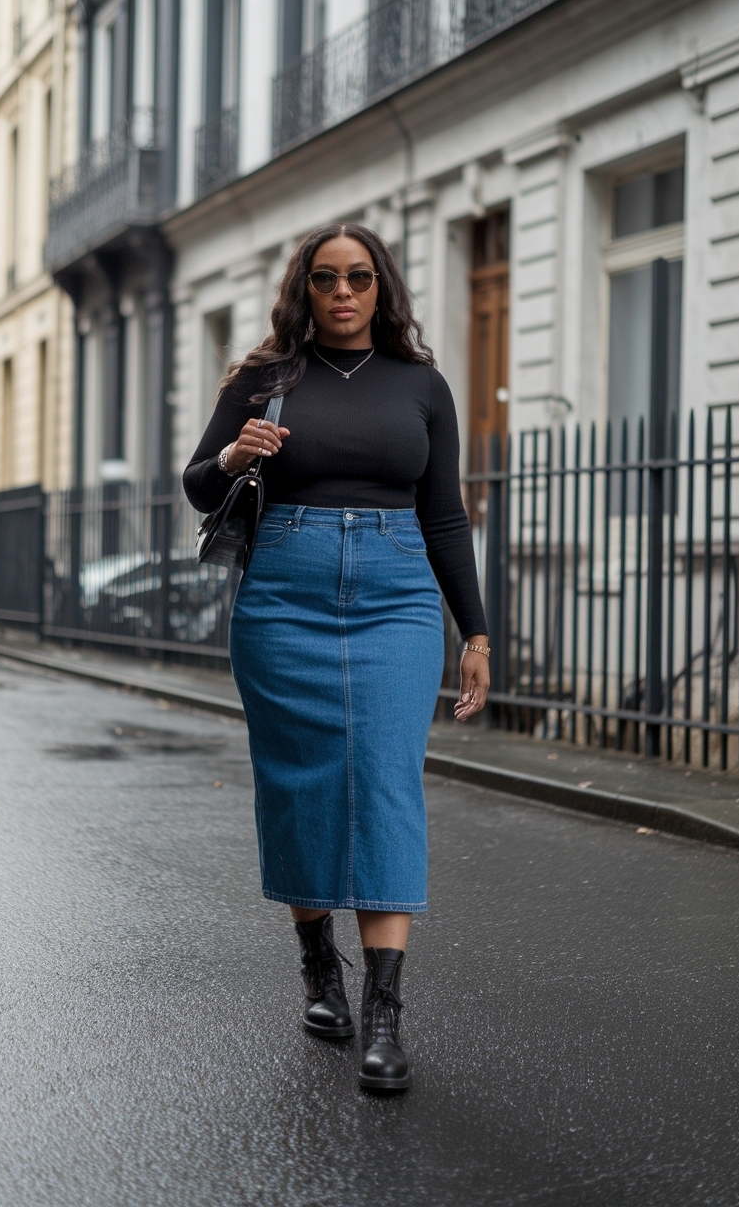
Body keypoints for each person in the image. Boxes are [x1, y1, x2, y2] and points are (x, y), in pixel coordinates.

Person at [183, 223, 489, 1092]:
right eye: (326, 278)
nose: (344, 292)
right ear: (305, 290)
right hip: (285, 595)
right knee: (301, 778)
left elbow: (445, 518)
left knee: (387, 775)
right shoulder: (262, 380)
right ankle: (320, 968)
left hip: (396, 597)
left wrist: (475, 631)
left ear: (382, 288)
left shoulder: (423, 387)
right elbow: (199, 485)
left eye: (360, 277)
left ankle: (386, 1017)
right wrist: (235, 453)